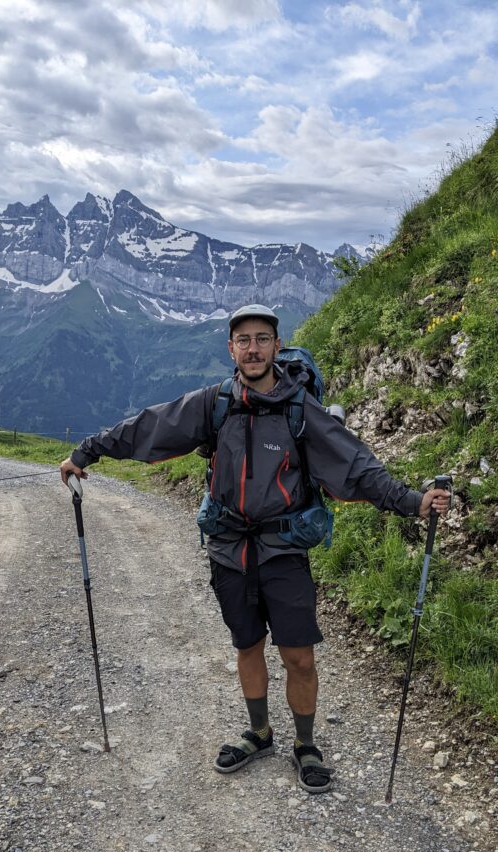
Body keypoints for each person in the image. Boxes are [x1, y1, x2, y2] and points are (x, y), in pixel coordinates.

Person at [60, 303, 450, 793]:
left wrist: (413, 502)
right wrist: (87, 450)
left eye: (262, 338)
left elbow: (356, 467)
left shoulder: (300, 409)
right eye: (243, 340)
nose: (252, 348)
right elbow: (150, 427)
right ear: (231, 348)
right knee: (247, 646)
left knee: (299, 656)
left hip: (283, 552)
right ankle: (260, 733)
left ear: (276, 346)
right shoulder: (215, 403)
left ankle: (305, 744)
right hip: (229, 551)